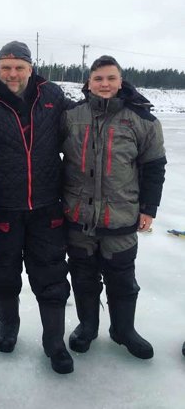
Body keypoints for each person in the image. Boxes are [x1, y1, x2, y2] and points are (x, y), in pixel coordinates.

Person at [0, 41, 74, 374]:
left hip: (47, 206)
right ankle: (8, 324)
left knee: (51, 274)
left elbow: (82, 123)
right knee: (3, 274)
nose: (12, 74)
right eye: (6, 68)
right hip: (3, 208)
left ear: (30, 68)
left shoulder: (52, 96)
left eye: (19, 67)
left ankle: (54, 341)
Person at [60, 55, 166, 359]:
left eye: (111, 78)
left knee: (122, 280)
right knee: (83, 277)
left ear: (121, 81)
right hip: (78, 216)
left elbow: (154, 167)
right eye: (98, 78)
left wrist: (149, 208)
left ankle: (123, 330)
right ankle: (88, 327)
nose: (104, 84)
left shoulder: (143, 120)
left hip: (120, 216)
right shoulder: (71, 116)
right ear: (89, 82)